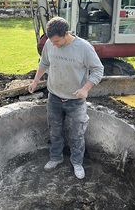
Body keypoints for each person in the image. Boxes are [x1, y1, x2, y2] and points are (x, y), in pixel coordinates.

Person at [28, 17, 104, 179]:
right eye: (52, 41)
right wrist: (35, 81)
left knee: (77, 133)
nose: (54, 45)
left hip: (75, 101)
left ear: (66, 34)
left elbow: (98, 69)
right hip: (54, 97)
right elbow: (44, 63)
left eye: (57, 41)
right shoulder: (50, 43)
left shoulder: (83, 48)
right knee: (54, 131)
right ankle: (56, 157)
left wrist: (85, 88)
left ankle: (77, 162)